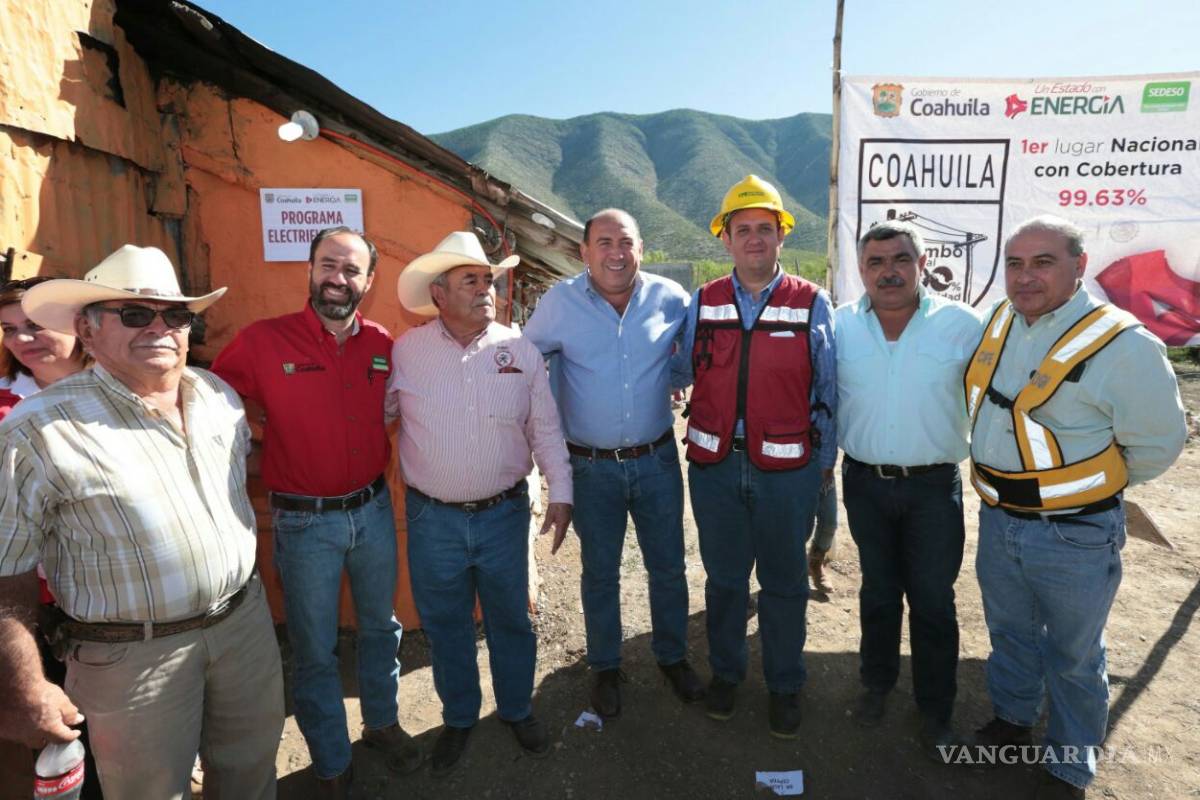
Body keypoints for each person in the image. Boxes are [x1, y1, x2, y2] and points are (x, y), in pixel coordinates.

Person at [0, 245, 284, 799]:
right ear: (88, 327)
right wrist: (22, 685)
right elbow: (6, 571)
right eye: (135, 314)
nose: (159, 327)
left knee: (251, 773)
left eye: (175, 314)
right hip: (132, 657)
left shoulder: (217, 397)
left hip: (242, 626)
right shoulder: (38, 430)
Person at [966, 215, 1186, 799]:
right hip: (998, 521)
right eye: (1015, 263)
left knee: (1074, 654)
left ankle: (1069, 765)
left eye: (1043, 262)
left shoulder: (1123, 342)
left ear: (1079, 266)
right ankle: (1013, 721)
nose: (1025, 276)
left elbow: (1158, 444)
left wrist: (1088, 489)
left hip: (1074, 533)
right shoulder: (1002, 322)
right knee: (1009, 633)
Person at [211, 226, 416, 797]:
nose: (338, 279)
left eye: (352, 271)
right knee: (314, 647)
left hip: (372, 510)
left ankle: (381, 725)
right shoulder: (262, 342)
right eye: (329, 265)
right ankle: (329, 758)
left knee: (381, 628)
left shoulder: (382, 345)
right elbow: (206, 398)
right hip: (304, 522)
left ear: (369, 282)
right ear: (309, 269)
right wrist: (251, 446)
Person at [388, 231, 572, 777]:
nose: (485, 287)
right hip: (431, 518)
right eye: (470, 279)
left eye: (488, 278)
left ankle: (517, 709)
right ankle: (460, 717)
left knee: (511, 620)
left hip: (504, 513)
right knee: (445, 625)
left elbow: (545, 427)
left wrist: (560, 491)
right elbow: (378, 412)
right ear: (439, 293)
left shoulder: (520, 350)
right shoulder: (407, 350)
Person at [522, 209, 702, 719]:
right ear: (584, 252)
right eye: (603, 242)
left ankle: (672, 655)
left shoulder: (670, 298)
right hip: (591, 467)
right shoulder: (558, 303)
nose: (615, 252)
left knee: (667, 566)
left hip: (657, 460)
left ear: (641, 248)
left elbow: (693, 350)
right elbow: (525, 365)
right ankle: (604, 666)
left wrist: (678, 375)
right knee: (599, 573)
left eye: (625, 241)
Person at [678, 175, 837, 739]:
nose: (753, 239)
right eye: (741, 229)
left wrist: (824, 467)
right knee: (723, 582)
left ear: (780, 237)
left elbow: (828, 389)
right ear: (725, 239)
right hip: (715, 467)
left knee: (784, 583)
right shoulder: (703, 302)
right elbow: (677, 372)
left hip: (787, 472)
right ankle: (726, 675)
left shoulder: (811, 302)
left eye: (763, 229)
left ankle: (785, 685)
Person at [835, 221, 982, 758]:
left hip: (931, 488)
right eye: (874, 262)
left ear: (921, 265)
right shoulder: (839, 326)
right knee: (877, 592)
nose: (887, 271)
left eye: (899, 259)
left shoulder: (964, 326)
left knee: (933, 601)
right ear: (861, 270)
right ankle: (877, 686)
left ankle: (936, 708)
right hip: (864, 484)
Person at [0, 277, 89, 418]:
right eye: (9, 329)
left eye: (35, 324)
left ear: (83, 326)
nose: (21, 338)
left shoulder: (127, 384)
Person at [806, 475, 838, 595]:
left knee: (829, 524)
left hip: (825, 476)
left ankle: (815, 565)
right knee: (800, 529)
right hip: (793, 472)